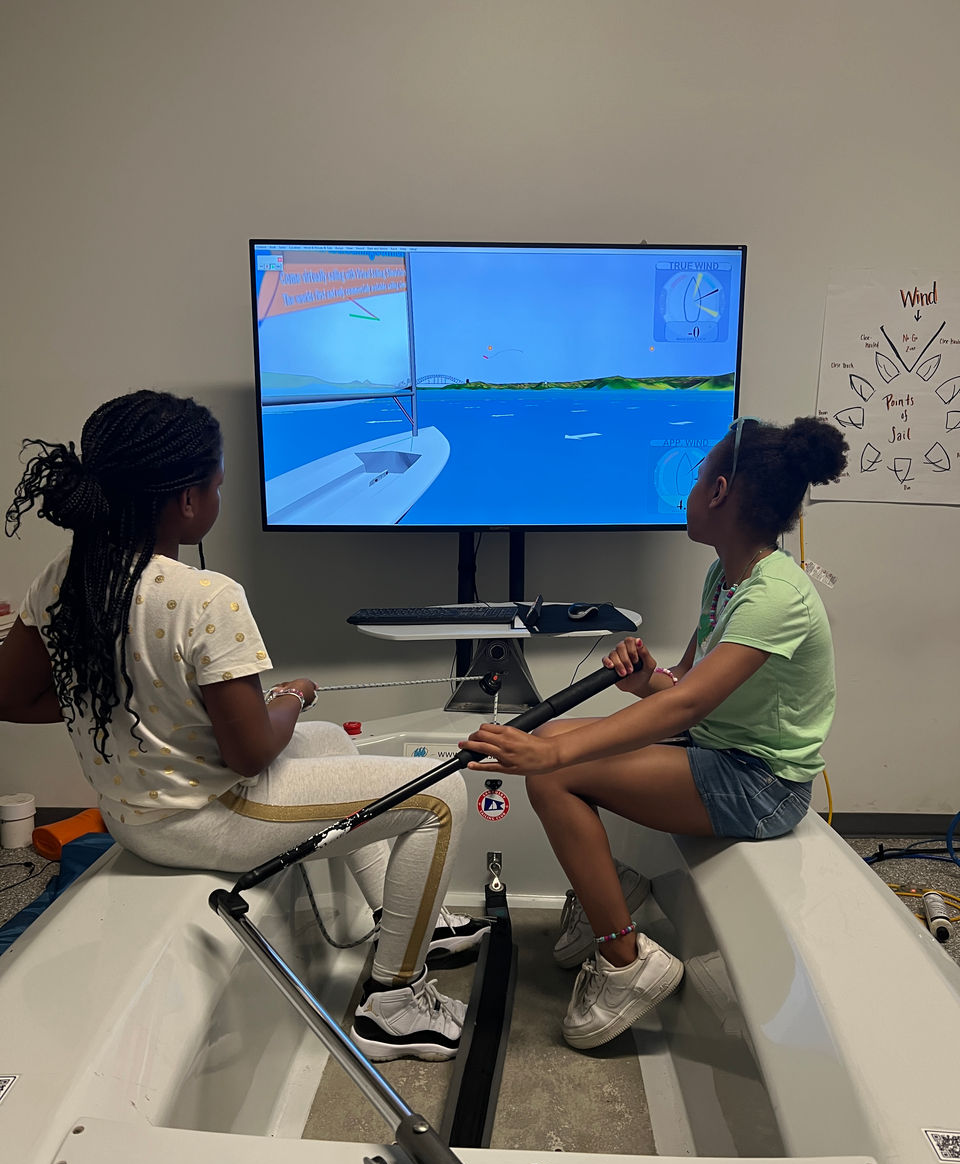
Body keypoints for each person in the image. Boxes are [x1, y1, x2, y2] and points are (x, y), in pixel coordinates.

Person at [0, 389, 488, 1063]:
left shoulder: (61, 578)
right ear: (189, 501)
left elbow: (12, 695)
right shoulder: (207, 595)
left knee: (327, 744)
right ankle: (395, 1003)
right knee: (440, 796)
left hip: (136, 816)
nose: (218, 498)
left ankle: (410, 922)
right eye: (218, 486)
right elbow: (252, 752)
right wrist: (290, 696)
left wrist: (112, 696)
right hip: (208, 816)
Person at [460, 415, 848, 1052]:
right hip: (715, 748)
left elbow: (688, 705)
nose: (688, 492)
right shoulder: (725, 576)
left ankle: (625, 962)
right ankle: (612, 892)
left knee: (554, 769)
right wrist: (645, 680)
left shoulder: (777, 596)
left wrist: (551, 750)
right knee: (557, 752)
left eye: (697, 480)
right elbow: (681, 686)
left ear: (720, 492)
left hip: (761, 784)